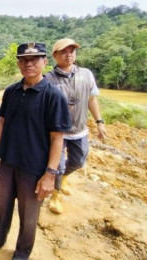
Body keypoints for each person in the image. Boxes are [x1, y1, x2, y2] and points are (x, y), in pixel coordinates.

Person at [0, 43, 72, 259]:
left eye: (34, 59)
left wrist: (50, 174)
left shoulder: (53, 96)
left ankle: (22, 252)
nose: (28, 63)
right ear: (19, 64)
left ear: (44, 62)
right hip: (8, 162)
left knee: (28, 214)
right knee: (1, 207)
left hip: (35, 167)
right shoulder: (12, 92)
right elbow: (2, 124)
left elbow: (58, 137)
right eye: (23, 60)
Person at [45, 38, 108, 214]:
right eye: (64, 52)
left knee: (79, 161)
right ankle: (55, 195)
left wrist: (99, 122)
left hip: (80, 130)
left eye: (72, 51)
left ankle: (63, 178)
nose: (69, 55)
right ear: (55, 56)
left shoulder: (86, 74)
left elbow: (92, 99)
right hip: (57, 132)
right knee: (57, 166)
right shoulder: (48, 79)